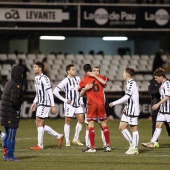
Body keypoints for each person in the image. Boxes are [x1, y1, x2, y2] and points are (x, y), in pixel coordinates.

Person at [30, 61, 63, 150]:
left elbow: (49, 92)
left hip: (45, 103)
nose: (34, 68)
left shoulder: (45, 78)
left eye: (35, 67)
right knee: (39, 123)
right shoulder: (36, 78)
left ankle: (40, 145)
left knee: (39, 122)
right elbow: (38, 93)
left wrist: (53, 105)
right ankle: (58, 136)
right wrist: (34, 102)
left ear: (40, 68)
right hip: (40, 102)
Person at [79, 64, 111, 153]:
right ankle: (104, 146)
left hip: (92, 104)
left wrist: (85, 88)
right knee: (103, 124)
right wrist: (86, 88)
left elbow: (79, 91)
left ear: (85, 72)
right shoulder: (99, 78)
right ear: (91, 71)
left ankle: (93, 147)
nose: (96, 72)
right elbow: (106, 80)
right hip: (100, 104)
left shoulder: (85, 79)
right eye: (94, 71)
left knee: (91, 124)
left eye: (97, 71)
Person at [109, 68, 140, 155]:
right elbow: (130, 98)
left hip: (133, 110)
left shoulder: (131, 84)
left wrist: (114, 103)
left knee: (133, 128)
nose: (123, 75)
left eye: (123, 73)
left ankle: (135, 148)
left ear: (126, 74)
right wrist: (126, 106)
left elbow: (126, 97)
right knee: (121, 127)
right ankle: (132, 144)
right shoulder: (129, 83)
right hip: (128, 109)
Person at [53, 64, 84, 147]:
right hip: (69, 105)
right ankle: (67, 140)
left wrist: (81, 100)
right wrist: (65, 100)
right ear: (68, 71)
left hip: (78, 103)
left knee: (81, 120)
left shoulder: (78, 79)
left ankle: (75, 138)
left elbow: (80, 90)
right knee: (68, 121)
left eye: (75, 69)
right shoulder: (65, 81)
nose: (75, 70)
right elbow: (55, 91)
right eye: (73, 69)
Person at [0, 66, 24, 161]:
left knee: (7, 135)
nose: (22, 75)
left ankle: (6, 154)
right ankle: (10, 155)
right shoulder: (16, 84)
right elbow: (15, 100)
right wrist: (18, 108)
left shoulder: (9, 83)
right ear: (18, 74)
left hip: (6, 113)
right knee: (11, 136)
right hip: (11, 113)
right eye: (22, 73)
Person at [142, 69, 170, 148]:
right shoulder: (162, 84)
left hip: (168, 110)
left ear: (161, 77)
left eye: (156, 78)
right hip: (162, 110)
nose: (155, 79)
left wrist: (158, 104)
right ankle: (152, 142)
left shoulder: (167, 84)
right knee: (157, 126)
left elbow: (168, 96)